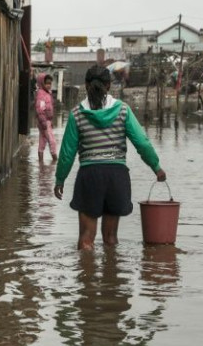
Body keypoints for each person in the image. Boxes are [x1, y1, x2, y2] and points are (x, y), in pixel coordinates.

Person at [53, 65, 167, 250]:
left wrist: (60, 179)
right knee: (111, 239)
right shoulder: (123, 110)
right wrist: (156, 167)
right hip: (117, 176)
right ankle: (111, 277)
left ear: (86, 84)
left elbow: (67, 153)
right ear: (109, 86)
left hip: (90, 177)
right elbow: (143, 143)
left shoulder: (77, 114)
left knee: (86, 239)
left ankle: (86, 276)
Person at [35, 73, 57, 162]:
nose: (49, 85)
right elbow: (40, 110)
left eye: (50, 84)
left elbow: (49, 109)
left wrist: (51, 122)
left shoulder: (47, 93)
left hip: (46, 122)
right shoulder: (41, 94)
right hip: (44, 122)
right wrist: (44, 123)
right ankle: (55, 160)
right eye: (47, 83)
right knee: (52, 141)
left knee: (42, 141)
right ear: (42, 83)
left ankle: (40, 163)